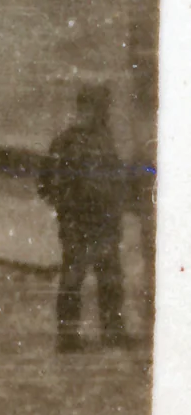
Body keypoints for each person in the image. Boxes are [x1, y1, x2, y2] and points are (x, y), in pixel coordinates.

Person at [39, 84, 133, 353]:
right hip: (78, 222)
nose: (102, 115)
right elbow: (47, 182)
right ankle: (68, 336)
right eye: (97, 108)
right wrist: (67, 210)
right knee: (73, 276)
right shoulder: (66, 141)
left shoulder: (106, 141)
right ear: (84, 108)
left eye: (104, 109)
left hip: (104, 222)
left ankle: (113, 330)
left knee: (111, 276)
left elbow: (116, 180)